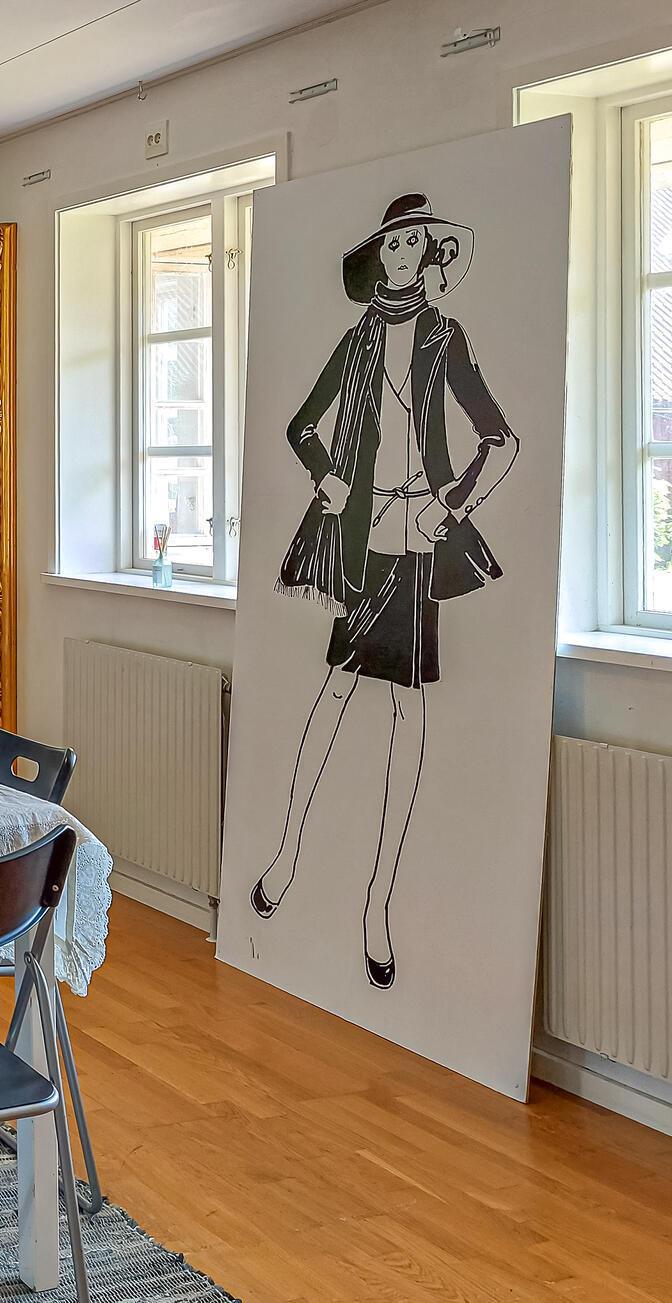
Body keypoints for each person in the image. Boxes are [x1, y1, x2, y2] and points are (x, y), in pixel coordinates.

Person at [250, 193, 518, 990]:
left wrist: (452, 503)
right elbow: (302, 425)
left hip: (418, 543)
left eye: (416, 242)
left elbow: (501, 440)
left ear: (432, 253)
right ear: (381, 255)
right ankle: (288, 853)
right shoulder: (361, 336)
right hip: (360, 538)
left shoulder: (445, 336)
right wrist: (327, 476)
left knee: (407, 704)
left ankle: (378, 905)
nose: (404, 254)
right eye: (393, 243)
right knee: (335, 687)